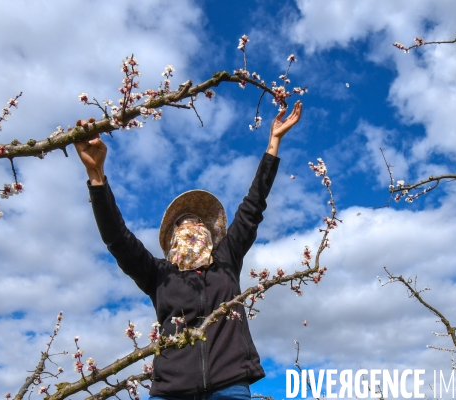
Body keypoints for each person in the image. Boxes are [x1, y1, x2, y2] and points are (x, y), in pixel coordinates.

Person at [74, 100, 303, 399]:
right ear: (171, 237)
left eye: (198, 222)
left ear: (210, 233)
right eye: (182, 223)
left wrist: (273, 143)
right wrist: (97, 177)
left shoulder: (226, 260)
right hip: (171, 391)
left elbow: (252, 207)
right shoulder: (158, 274)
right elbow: (117, 239)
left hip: (229, 386)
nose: (191, 226)